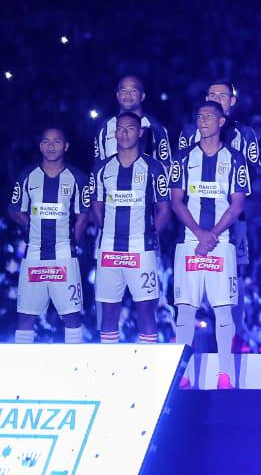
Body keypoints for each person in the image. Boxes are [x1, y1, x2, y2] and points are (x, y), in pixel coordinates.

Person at [170, 102, 250, 389]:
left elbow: (237, 204)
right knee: (186, 310)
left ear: (222, 121)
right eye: (199, 116)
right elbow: (176, 201)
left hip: (222, 241)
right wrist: (199, 233)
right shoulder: (182, 159)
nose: (203, 121)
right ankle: (183, 375)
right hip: (190, 242)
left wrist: (212, 233)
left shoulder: (235, 159)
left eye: (209, 116)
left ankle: (224, 374)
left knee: (223, 310)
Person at [177, 78, 260, 353]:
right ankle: (184, 363)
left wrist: (214, 232)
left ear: (231, 103)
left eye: (222, 96)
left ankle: (234, 341)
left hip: (232, 225)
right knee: (188, 301)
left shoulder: (245, 136)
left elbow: (247, 184)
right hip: (193, 231)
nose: (216, 99)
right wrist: (201, 233)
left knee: (232, 285)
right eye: (211, 95)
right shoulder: (188, 139)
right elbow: (178, 195)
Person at [90, 111, 171, 346]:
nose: (125, 133)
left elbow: (164, 210)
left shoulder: (154, 167)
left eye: (130, 128)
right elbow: (96, 207)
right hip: (109, 249)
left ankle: (148, 369)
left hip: (141, 248)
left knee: (146, 312)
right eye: (120, 129)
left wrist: (151, 235)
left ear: (140, 132)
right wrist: (107, 231)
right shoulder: (101, 168)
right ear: (115, 133)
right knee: (108, 314)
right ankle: (109, 369)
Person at [9, 127, 90, 344]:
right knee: (26, 315)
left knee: (71, 315)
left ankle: (74, 368)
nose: (51, 146)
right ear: (40, 145)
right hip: (34, 253)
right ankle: (22, 369)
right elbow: (15, 209)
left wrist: (74, 240)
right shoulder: (27, 176)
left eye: (56, 141)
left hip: (64, 254)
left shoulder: (77, 178)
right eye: (46, 141)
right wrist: (30, 227)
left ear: (66, 146)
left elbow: (84, 213)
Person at [92, 74, 171, 164]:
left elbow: (166, 166)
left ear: (142, 96)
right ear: (118, 95)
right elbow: (98, 165)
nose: (128, 95)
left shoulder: (155, 128)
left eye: (133, 91)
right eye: (123, 90)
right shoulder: (104, 128)